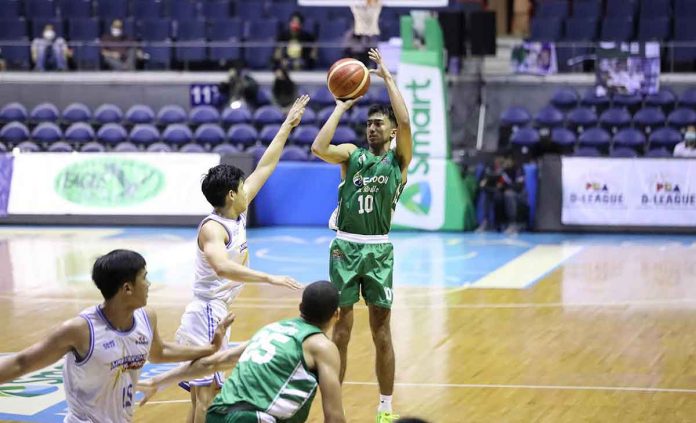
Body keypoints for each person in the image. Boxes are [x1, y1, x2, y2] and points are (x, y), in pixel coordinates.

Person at [175, 95, 310, 423]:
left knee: (203, 396)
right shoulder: (213, 229)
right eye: (241, 185)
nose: (248, 188)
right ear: (232, 194)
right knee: (205, 398)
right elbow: (221, 266)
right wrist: (270, 278)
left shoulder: (235, 212)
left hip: (214, 312)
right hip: (207, 311)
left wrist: (287, 125)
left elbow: (266, 165)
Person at [0, 249, 234, 423]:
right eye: (144, 277)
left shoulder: (146, 317)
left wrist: (209, 348)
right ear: (127, 288)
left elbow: (159, 352)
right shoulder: (80, 330)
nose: (149, 284)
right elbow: (22, 363)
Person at [311, 48, 412, 423]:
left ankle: (385, 408)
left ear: (392, 133)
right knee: (341, 331)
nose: (372, 128)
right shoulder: (351, 155)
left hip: (378, 252)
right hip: (345, 248)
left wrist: (387, 78)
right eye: (368, 123)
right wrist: (341, 105)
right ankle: (333, 408)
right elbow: (319, 148)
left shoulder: (398, 161)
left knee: (381, 332)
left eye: (378, 124)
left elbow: (406, 120)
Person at [137, 281, 346, 423]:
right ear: (336, 314)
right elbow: (334, 417)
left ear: (300, 306)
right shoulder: (322, 346)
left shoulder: (271, 329)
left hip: (217, 414)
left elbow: (213, 362)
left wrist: (160, 381)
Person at [476, 153, 527, 234]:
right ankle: (487, 222)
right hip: (503, 193)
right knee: (490, 194)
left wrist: (505, 186)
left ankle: (512, 223)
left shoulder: (518, 169)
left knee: (508, 194)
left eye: (508, 160)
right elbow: (488, 184)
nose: (506, 163)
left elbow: (518, 187)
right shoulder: (499, 171)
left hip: (517, 195)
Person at [347, 0, 382, 66]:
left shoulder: (376, 7)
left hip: (372, 33)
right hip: (360, 33)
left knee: (372, 52)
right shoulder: (357, 6)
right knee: (360, 52)